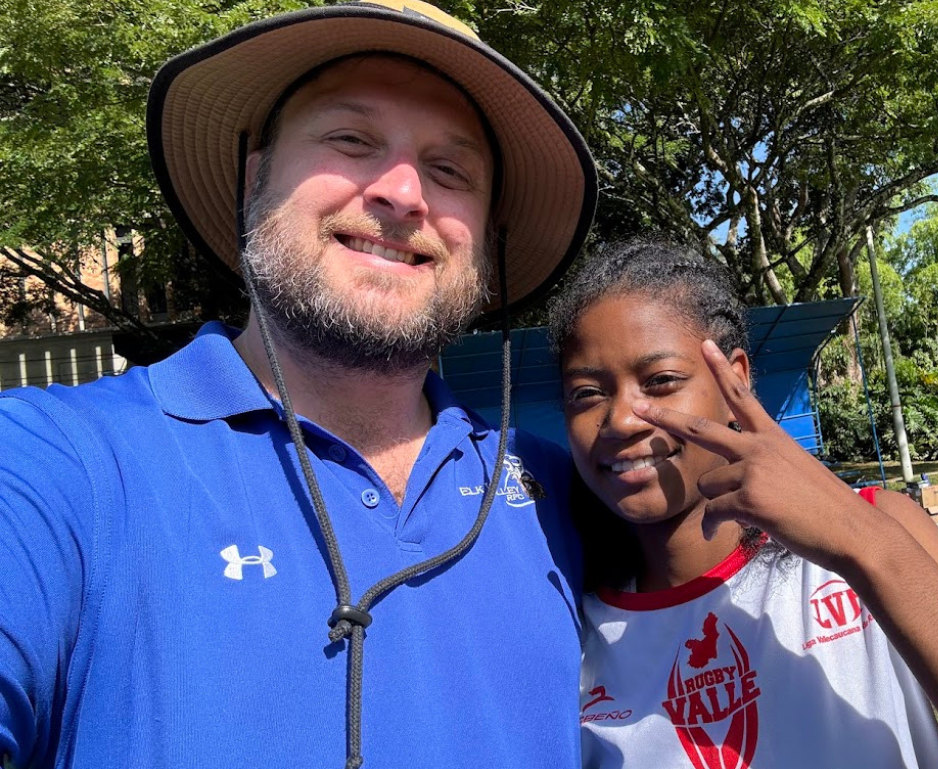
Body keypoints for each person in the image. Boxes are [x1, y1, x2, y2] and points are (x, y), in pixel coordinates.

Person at [0, 3, 597, 768]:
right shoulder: (61, 464)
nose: (404, 194)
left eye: (451, 171)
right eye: (352, 140)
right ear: (256, 182)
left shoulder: (559, 487)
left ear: (486, 242)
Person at [548, 241, 938, 769]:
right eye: (586, 393)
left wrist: (861, 542)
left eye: (662, 380)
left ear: (734, 382)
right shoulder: (576, 631)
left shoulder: (876, 529)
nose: (621, 419)